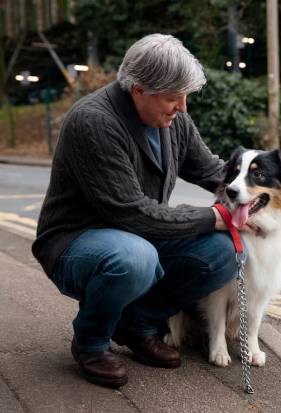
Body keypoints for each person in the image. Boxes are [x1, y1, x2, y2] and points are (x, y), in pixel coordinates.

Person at [32, 33, 249, 389]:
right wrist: (216, 218)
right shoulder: (94, 122)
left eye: (185, 96)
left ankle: (137, 325)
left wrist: (254, 196)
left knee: (224, 254)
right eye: (172, 98)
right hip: (77, 243)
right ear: (138, 89)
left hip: (139, 236)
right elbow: (133, 213)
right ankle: (91, 342)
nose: (182, 107)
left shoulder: (173, 118)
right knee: (135, 258)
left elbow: (212, 171)